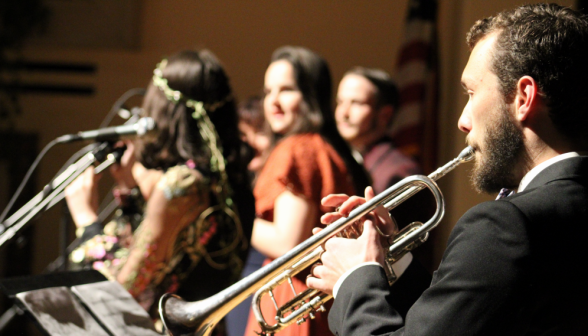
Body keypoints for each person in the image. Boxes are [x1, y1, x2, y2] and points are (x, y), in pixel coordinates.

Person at [307, 3, 588, 335]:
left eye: (471, 93)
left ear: (523, 97)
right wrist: (390, 260)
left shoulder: (504, 226)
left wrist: (353, 279)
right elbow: (460, 318)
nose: (463, 121)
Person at [65, 50, 255, 331]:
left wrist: (87, 223)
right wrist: (130, 196)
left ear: (164, 110)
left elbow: (123, 291)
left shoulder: (181, 185)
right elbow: (172, 264)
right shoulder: (232, 175)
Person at [243, 46, 370, 336]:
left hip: (294, 301)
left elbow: (288, 242)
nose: (273, 101)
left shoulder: (298, 148)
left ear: (310, 95)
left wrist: (234, 221)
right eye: (268, 91)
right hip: (315, 299)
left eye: (286, 90)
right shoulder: (325, 147)